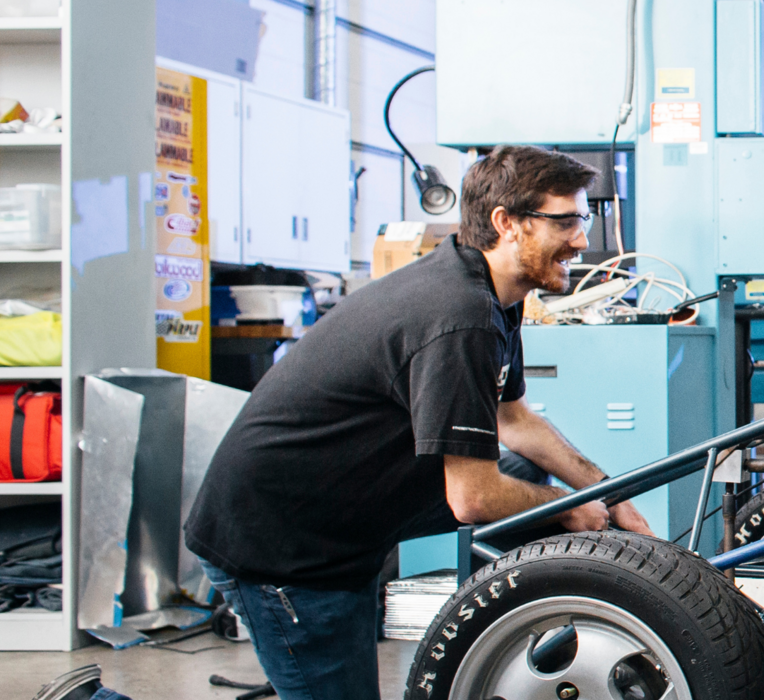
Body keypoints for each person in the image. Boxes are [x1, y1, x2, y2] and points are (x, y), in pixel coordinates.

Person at [184, 145, 653, 700]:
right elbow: (473, 499)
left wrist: (605, 493)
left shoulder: (492, 293)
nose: (581, 238)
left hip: (349, 510)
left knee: (527, 475)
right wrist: (573, 511)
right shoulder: (459, 316)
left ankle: (569, 606)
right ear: (506, 224)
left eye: (585, 218)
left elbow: (514, 420)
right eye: (566, 220)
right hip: (287, 546)